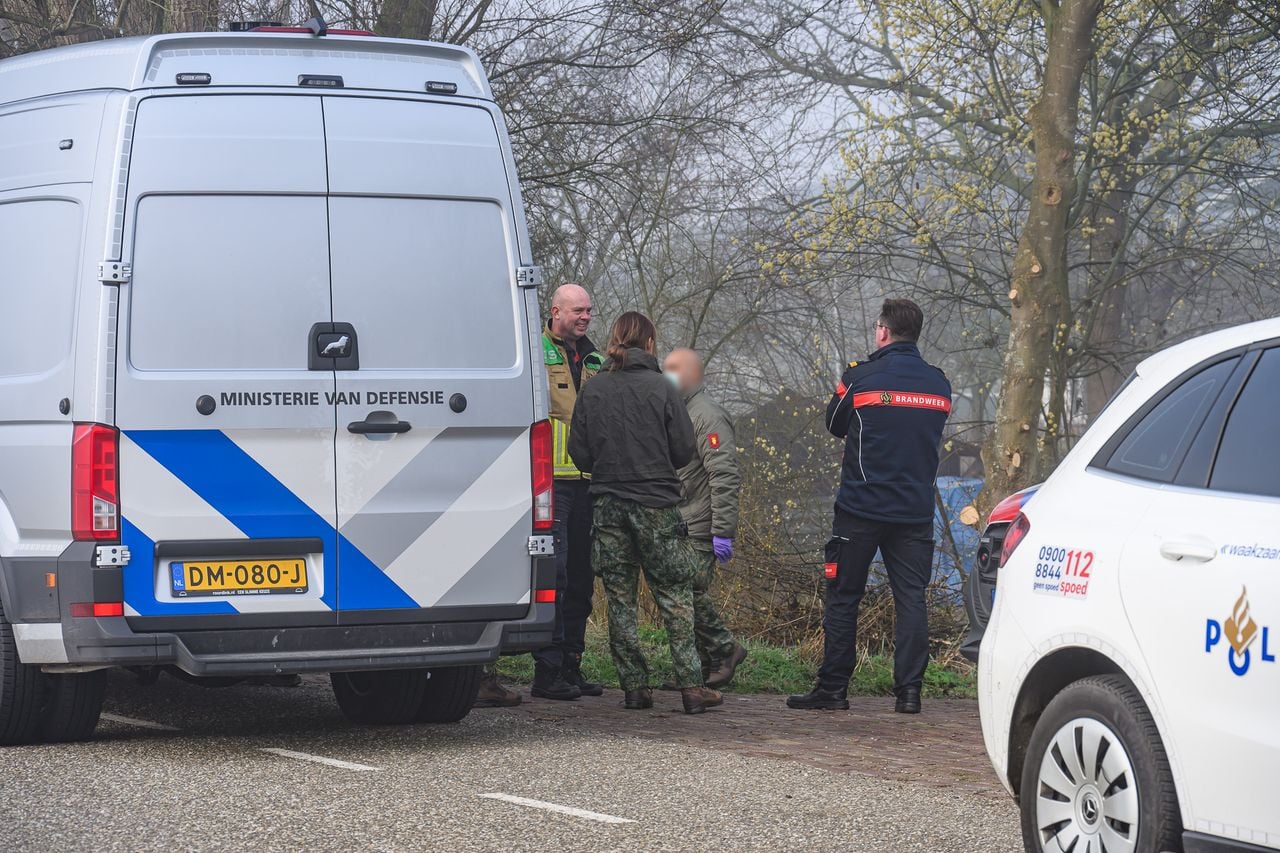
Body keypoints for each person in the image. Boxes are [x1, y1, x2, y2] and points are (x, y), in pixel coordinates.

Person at [788, 299, 952, 715]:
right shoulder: (939, 385)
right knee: (911, 599)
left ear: (883, 331)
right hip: (915, 511)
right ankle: (910, 693)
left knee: (844, 595)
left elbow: (834, 424)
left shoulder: (859, 379)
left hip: (860, 508)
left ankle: (833, 689)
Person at [567, 312, 724, 715]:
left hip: (607, 505)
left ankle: (634, 689)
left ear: (614, 341)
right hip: (656, 504)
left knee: (620, 599)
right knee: (674, 595)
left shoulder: (594, 388)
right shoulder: (663, 387)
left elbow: (578, 453)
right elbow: (684, 450)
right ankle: (692, 687)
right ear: (650, 344)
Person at [528, 282, 606, 701]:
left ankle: (572, 664)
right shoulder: (536, 352)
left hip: (588, 481)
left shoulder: (596, 358)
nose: (585, 317)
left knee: (581, 575)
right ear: (555, 312)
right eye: (577, 310)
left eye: (589, 311)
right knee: (553, 573)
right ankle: (548, 668)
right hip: (552, 480)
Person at [663, 348, 748, 688]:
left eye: (673, 368)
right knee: (684, 594)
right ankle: (699, 670)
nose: (665, 374)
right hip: (681, 521)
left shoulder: (707, 416)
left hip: (700, 525)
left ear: (692, 374)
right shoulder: (681, 412)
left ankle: (724, 651)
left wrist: (722, 530)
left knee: (687, 594)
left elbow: (724, 475)